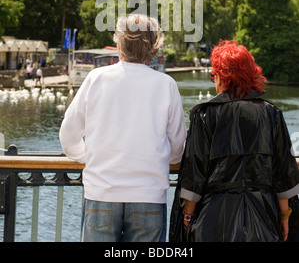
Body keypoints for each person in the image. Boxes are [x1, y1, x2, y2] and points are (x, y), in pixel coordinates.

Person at [59, 14, 186, 242]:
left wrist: (91, 157)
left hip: (102, 191)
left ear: (119, 44)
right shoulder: (166, 85)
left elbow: (68, 137)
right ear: (153, 47)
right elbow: (178, 147)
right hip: (149, 195)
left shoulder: (96, 78)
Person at [169, 39, 299, 242]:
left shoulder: (205, 116)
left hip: (213, 218)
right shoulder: (271, 114)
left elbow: (195, 172)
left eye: (214, 75)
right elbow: (284, 173)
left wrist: (186, 216)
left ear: (222, 77)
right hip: (263, 214)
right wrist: (284, 217)